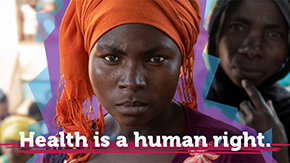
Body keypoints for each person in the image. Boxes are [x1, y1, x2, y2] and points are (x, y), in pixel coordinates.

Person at [42, 0, 267, 162]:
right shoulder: (65, 152)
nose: (131, 81)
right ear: (87, 59)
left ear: (181, 62)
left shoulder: (231, 152)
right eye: (111, 58)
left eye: (156, 59)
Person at [206, 0, 290, 161]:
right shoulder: (176, 104)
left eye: (274, 34)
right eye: (238, 27)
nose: (251, 50)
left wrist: (278, 156)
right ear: (216, 32)